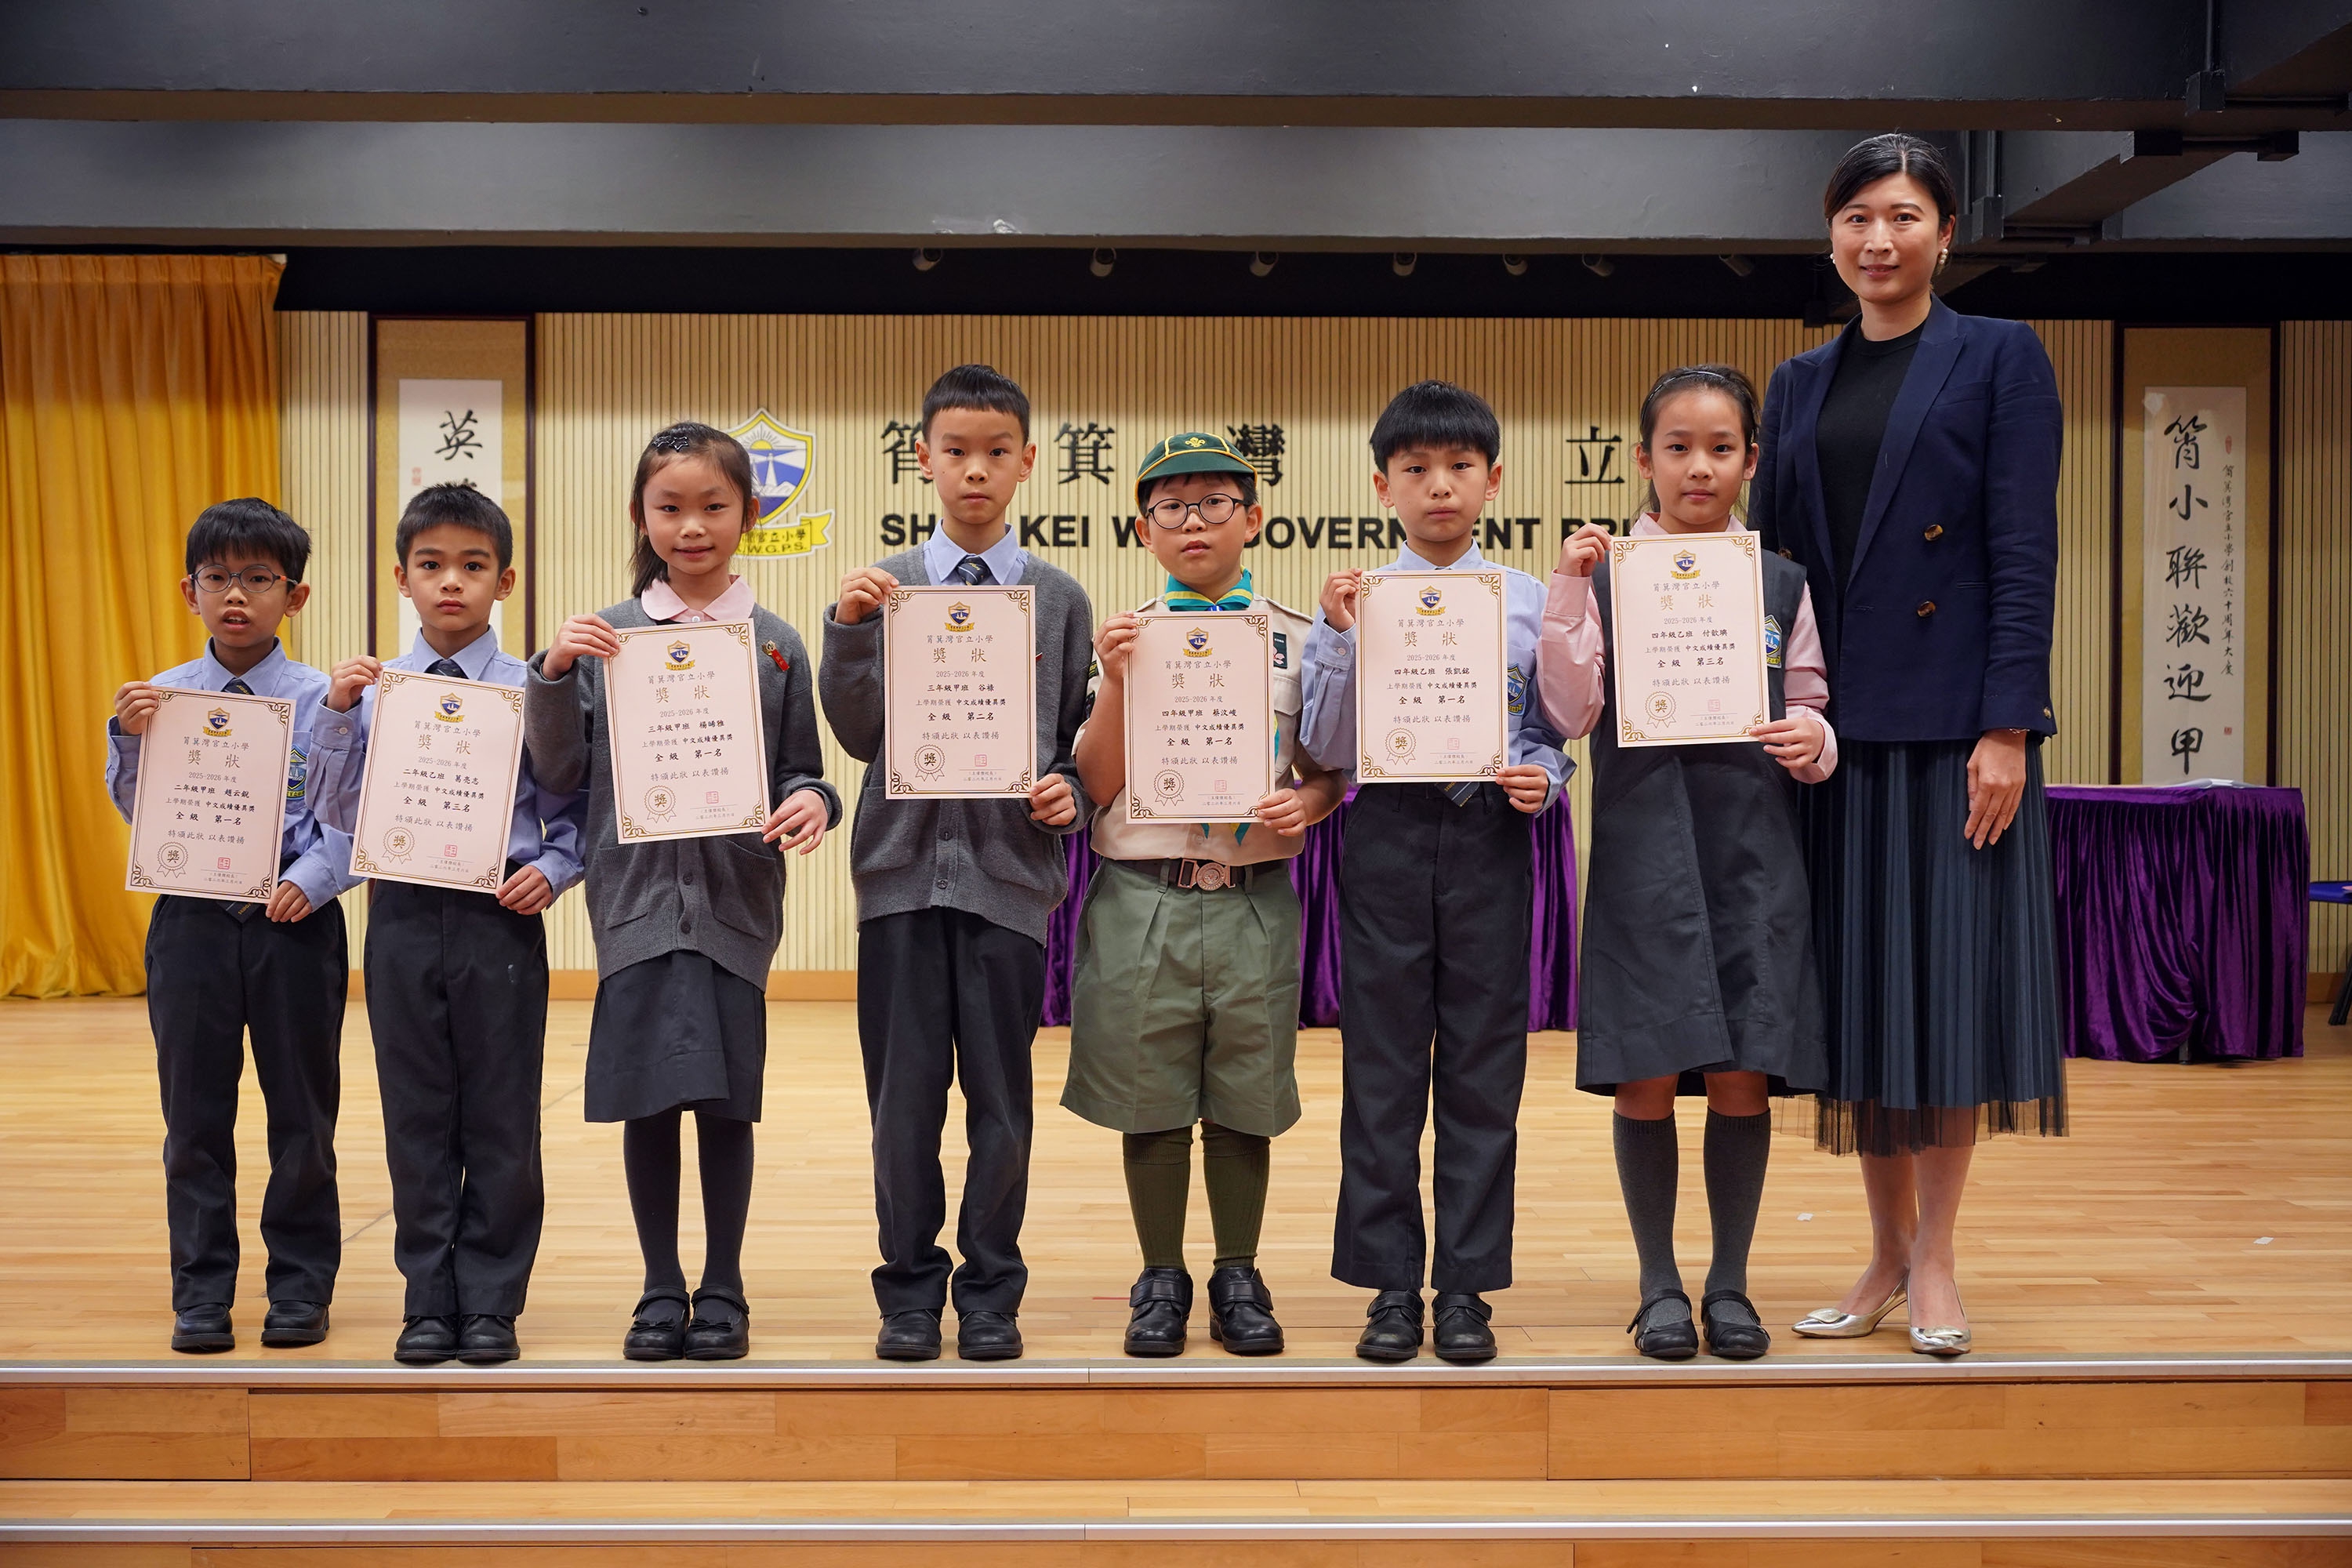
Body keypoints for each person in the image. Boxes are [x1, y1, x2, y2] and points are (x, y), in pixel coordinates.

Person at [1748, 133, 2067, 1358]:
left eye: (1902, 216)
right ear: (1830, 236)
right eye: (1856, 219)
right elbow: (1767, 569)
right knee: (1864, 1008)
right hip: (1828, 736)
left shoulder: (2000, 356)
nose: (1877, 240)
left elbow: (2022, 552)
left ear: (1944, 233)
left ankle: (1935, 1259)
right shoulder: (1798, 381)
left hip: (1950, 736)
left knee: (1940, 1004)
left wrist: (2008, 725)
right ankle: (1881, 1254)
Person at [525, 422, 840, 1362]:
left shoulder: (777, 644)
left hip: (736, 907)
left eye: (713, 506)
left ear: (748, 514)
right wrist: (553, 672)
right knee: (649, 1099)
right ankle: (661, 1285)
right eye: (671, 507)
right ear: (641, 515)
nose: (692, 525)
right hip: (633, 909)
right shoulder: (605, 638)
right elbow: (559, 771)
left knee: (727, 1102)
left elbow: (803, 769)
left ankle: (725, 1285)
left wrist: (814, 802)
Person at [1541, 366, 1836, 1362]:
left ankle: (1731, 1283)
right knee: (1649, 1069)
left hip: (1754, 849)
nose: (1698, 466)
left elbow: (1811, 700)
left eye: (1720, 448)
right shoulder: (1604, 577)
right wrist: (1569, 589)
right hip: (1645, 849)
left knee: (1745, 1070)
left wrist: (1812, 738)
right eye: (1678, 447)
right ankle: (1659, 1285)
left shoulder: (1781, 581)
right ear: (1644, 460)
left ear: (1751, 461)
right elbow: (1569, 710)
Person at [818, 365, 1094, 1363]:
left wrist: (1070, 789)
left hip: (1009, 883)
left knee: (1001, 1103)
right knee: (902, 1103)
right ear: (923, 457)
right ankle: (906, 1289)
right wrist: (850, 630)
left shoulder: (1058, 597)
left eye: (995, 451)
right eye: (956, 450)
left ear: (1027, 462)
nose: (975, 469)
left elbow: (1075, 739)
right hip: (899, 880)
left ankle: (990, 1289)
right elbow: (857, 735)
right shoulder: (885, 586)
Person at [1300, 380, 1570, 1364]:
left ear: (1494, 479)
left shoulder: (1531, 602)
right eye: (1416, 468)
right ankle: (1386, 1284)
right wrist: (1338, 639)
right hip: (1386, 833)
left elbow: (1551, 727)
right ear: (1383, 486)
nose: (1439, 486)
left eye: (1460, 466)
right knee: (1380, 1069)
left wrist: (1543, 774)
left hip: (1491, 833)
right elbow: (1325, 750)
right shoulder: (1355, 600)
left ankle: (1464, 1286)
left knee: (1483, 1069)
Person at [1067, 431, 1346, 1358]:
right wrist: (1116, 678)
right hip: (1142, 893)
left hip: (1253, 894)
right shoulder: (1124, 639)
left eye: (1214, 503)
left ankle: (1237, 1270)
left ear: (1252, 518)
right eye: (1172, 507)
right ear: (1143, 529)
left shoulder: (1298, 640)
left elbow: (1326, 772)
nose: (1194, 522)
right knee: (1147, 1092)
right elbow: (1095, 784)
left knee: (1244, 1092)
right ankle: (1160, 1273)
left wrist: (1308, 802)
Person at [310, 484, 586, 1365]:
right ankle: (428, 1298)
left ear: (505, 581)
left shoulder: (534, 688)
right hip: (398, 914)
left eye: (473, 565)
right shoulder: (372, 693)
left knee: (503, 1113)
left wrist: (552, 868)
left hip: (498, 916)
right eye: (431, 565)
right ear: (402, 578)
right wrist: (338, 716)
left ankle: (493, 1301)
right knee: (416, 1112)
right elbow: (333, 813)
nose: (451, 582)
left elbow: (572, 803)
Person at [107, 498, 361, 1354]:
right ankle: (202, 1291)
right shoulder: (164, 696)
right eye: (218, 578)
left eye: (259, 578)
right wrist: (128, 738)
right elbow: (142, 812)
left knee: (303, 1118)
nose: (237, 595)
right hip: (191, 925)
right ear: (191, 590)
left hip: (295, 925)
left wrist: (311, 880)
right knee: (193, 1120)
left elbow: (354, 813)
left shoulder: (328, 698)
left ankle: (300, 1287)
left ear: (297, 595)